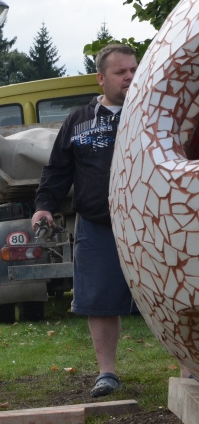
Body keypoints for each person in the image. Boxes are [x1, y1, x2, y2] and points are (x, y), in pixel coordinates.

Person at [33, 43, 138, 399]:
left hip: (152, 227)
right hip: (98, 224)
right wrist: (44, 206)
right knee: (99, 300)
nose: (129, 77)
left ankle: (189, 370)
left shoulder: (153, 113)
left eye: (134, 70)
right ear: (101, 78)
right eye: (120, 72)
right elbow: (57, 170)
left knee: (173, 297)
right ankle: (107, 373)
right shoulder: (79, 120)